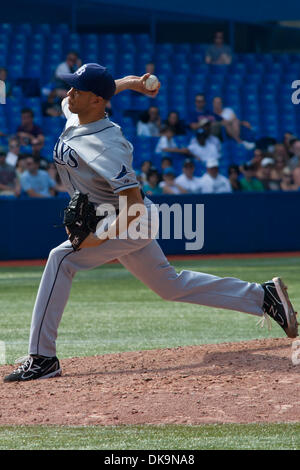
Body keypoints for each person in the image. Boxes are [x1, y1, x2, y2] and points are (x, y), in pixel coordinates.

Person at [3, 64, 297, 383]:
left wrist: (98, 237)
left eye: (78, 89)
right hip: (117, 216)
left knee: (60, 260)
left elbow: (133, 205)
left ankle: (43, 358)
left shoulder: (108, 145)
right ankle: (263, 296)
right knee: (170, 286)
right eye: (71, 86)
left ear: (97, 101)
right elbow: (102, 89)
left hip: (131, 221)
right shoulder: (77, 111)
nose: (68, 93)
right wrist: (131, 82)